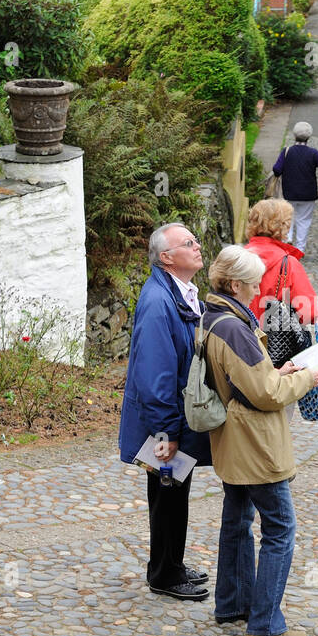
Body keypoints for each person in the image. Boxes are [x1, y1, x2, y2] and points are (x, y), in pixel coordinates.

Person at [200, 246, 318, 636]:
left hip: (233, 438)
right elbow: (266, 394)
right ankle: (266, 623)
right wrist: (305, 377)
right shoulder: (235, 327)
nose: (257, 292)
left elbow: (248, 378)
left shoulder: (215, 316)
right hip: (254, 440)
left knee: (237, 521)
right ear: (234, 284)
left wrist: (276, 368)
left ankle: (233, 603)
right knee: (280, 528)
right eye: (252, 285)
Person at [118, 222, 212, 601]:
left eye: (195, 240)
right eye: (188, 243)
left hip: (176, 420)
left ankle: (171, 564)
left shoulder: (180, 291)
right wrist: (166, 433)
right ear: (166, 257)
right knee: (167, 495)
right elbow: (154, 374)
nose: (197, 246)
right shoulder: (158, 302)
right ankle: (164, 575)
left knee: (174, 494)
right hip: (166, 426)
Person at [245, 198, 318, 330]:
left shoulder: (236, 258)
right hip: (275, 342)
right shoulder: (289, 264)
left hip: (241, 337)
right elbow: (308, 313)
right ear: (284, 226)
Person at [271, 122, 318, 252]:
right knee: (304, 220)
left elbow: (277, 170)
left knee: (288, 217)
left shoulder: (287, 151)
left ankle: (287, 240)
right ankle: (300, 248)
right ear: (308, 137)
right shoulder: (313, 153)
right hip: (307, 193)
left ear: (294, 135)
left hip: (288, 192)